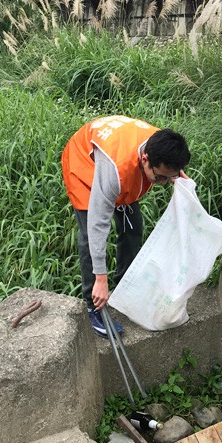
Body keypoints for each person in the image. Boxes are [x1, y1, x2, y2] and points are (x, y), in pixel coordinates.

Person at [61, 115, 190, 337]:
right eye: (160, 178)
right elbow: (97, 226)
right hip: (84, 162)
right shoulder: (115, 170)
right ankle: (93, 305)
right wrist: (101, 278)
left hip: (119, 157)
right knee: (89, 236)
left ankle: (125, 287)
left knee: (132, 228)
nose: (162, 183)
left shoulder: (163, 145)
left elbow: (167, 169)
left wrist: (177, 178)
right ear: (145, 159)